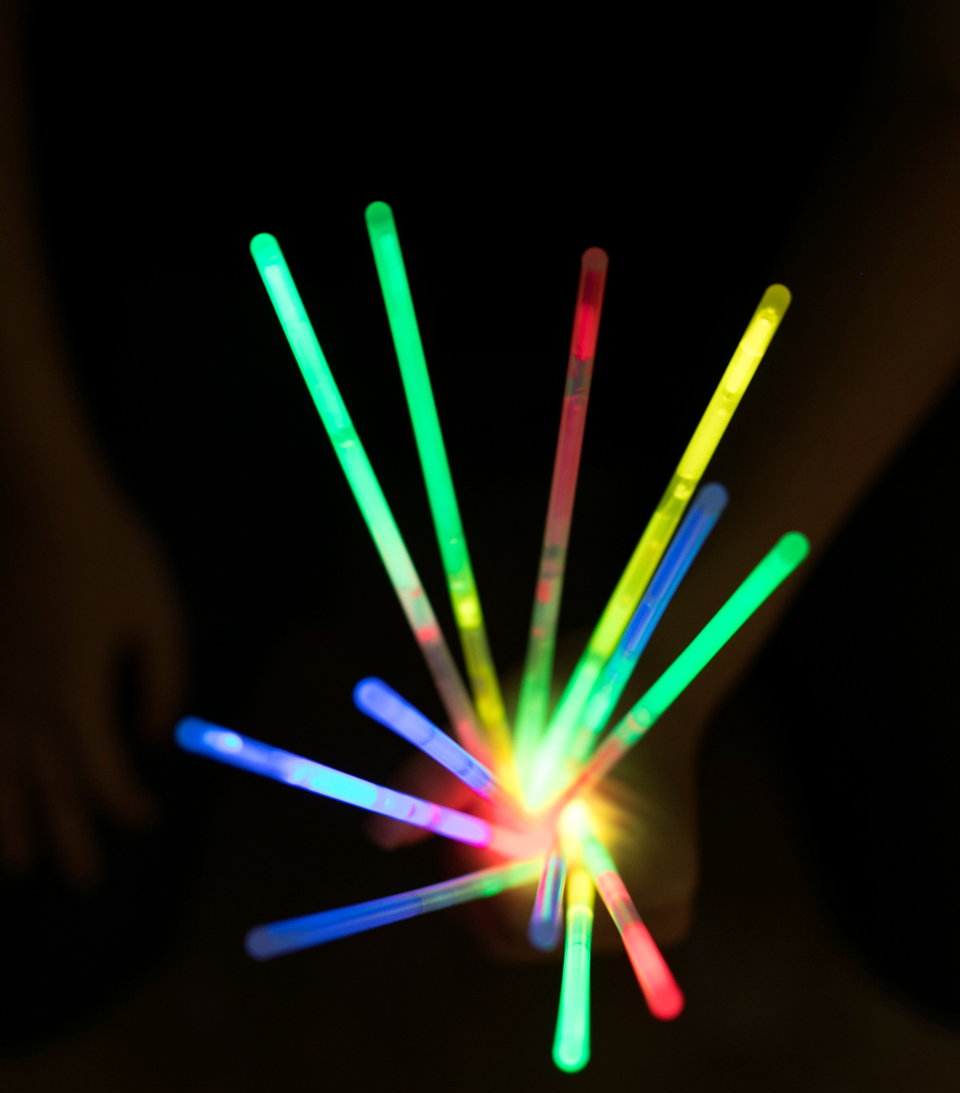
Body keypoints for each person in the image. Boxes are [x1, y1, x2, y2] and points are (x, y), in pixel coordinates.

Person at [1, 0, 959, 991]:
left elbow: (945, 92)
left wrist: (655, 689)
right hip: (220, 191)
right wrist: (41, 492)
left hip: (749, 209)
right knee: (38, 918)